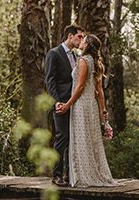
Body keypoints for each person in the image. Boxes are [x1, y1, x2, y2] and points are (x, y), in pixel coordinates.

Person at [57, 34, 117, 187]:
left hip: (81, 105)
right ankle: (91, 173)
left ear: (88, 44)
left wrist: (67, 105)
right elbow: (99, 91)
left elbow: (80, 87)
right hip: (91, 105)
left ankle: (84, 176)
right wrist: (103, 112)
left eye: (83, 40)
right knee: (90, 139)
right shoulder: (96, 63)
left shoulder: (83, 61)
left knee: (81, 139)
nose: (81, 41)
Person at [45, 24, 85, 186]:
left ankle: (69, 175)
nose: (81, 40)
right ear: (70, 36)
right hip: (60, 104)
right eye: (79, 37)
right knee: (62, 138)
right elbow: (49, 80)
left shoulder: (76, 57)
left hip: (73, 104)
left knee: (71, 139)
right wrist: (57, 102)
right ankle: (56, 175)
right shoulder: (54, 53)